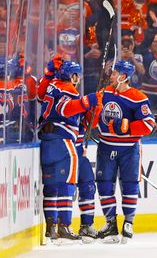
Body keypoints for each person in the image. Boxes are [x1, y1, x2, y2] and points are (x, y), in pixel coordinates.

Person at [37, 57, 99, 244]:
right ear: (70, 75)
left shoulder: (51, 85)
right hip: (63, 140)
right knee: (66, 184)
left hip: (47, 140)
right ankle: (64, 225)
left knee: (51, 186)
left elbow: (40, 96)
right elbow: (65, 109)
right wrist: (86, 102)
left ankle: (51, 227)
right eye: (75, 75)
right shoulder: (68, 90)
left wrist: (92, 108)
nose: (77, 78)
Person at [95, 60, 155, 243]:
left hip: (129, 149)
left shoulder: (138, 98)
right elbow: (91, 114)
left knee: (129, 185)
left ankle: (128, 223)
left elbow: (148, 124)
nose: (111, 76)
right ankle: (110, 225)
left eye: (114, 74)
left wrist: (127, 129)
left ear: (123, 77)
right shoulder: (103, 94)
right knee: (104, 185)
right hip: (105, 147)